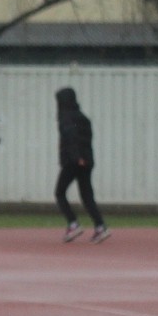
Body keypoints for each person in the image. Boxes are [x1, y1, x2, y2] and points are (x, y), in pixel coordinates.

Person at [55, 86, 109, 243]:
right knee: (87, 196)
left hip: (74, 161)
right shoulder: (83, 117)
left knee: (60, 192)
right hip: (87, 160)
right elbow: (86, 140)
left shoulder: (65, 118)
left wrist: (76, 157)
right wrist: (84, 158)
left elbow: (71, 139)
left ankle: (73, 223)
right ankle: (100, 227)